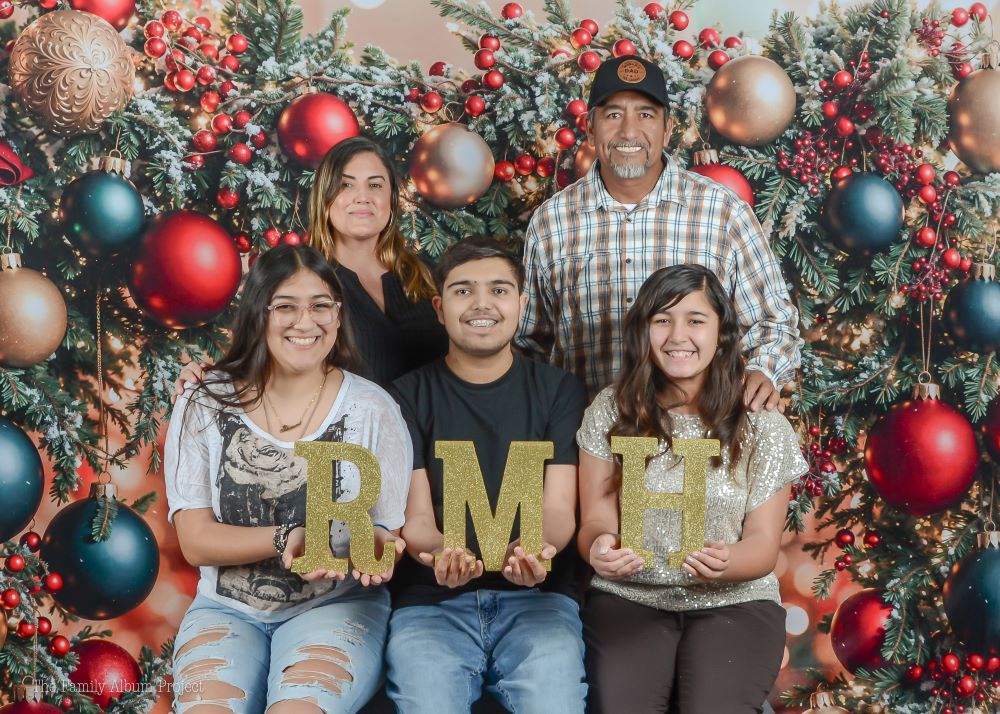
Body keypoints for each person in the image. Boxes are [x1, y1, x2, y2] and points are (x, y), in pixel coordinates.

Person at [164, 244, 412, 714]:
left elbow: (383, 531)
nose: (306, 322)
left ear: (338, 318)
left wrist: (377, 551)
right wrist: (288, 538)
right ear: (259, 313)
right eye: (286, 306)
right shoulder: (204, 401)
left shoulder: (373, 409)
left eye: (321, 305)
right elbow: (196, 542)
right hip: (225, 610)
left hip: (336, 607)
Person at [576, 264, 808, 714]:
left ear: (720, 331)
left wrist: (728, 562)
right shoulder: (610, 409)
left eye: (695, 320)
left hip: (735, 602)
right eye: (662, 320)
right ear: (643, 331)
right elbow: (596, 519)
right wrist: (599, 547)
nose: (677, 334)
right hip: (630, 597)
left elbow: (763, 546)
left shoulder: (761, 423)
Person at [516, 54, 801, 409]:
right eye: (613, 115)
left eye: (646, 115)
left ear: (667, 129)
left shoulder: (722, 211)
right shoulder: (551, 221)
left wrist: (764, 370)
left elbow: (773, 321)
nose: (629, 132)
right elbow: (528, 342)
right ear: (590, 128)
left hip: (698, 443)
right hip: (585, 444)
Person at [384, 238, 588, 713]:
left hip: (538, 601)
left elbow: (558, 508)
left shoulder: (558, 391)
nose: (481, 304)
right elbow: (415, 516)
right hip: (430, 604)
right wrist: (438, 553)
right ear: (439, 307)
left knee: (552, 700)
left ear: (521, 303)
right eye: (463, 291)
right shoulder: (406, 395)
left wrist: (536, 547)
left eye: (498, 290)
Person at [174, 136, 447, 395]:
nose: (362, 196)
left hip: (437, 438)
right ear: (325, 198)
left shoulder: (428, 275)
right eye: (346, 185)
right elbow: (261, 360)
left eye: (375, 185)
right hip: (345, 442)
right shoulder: (301, 280)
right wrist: (208, 376)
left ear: (391, 198)